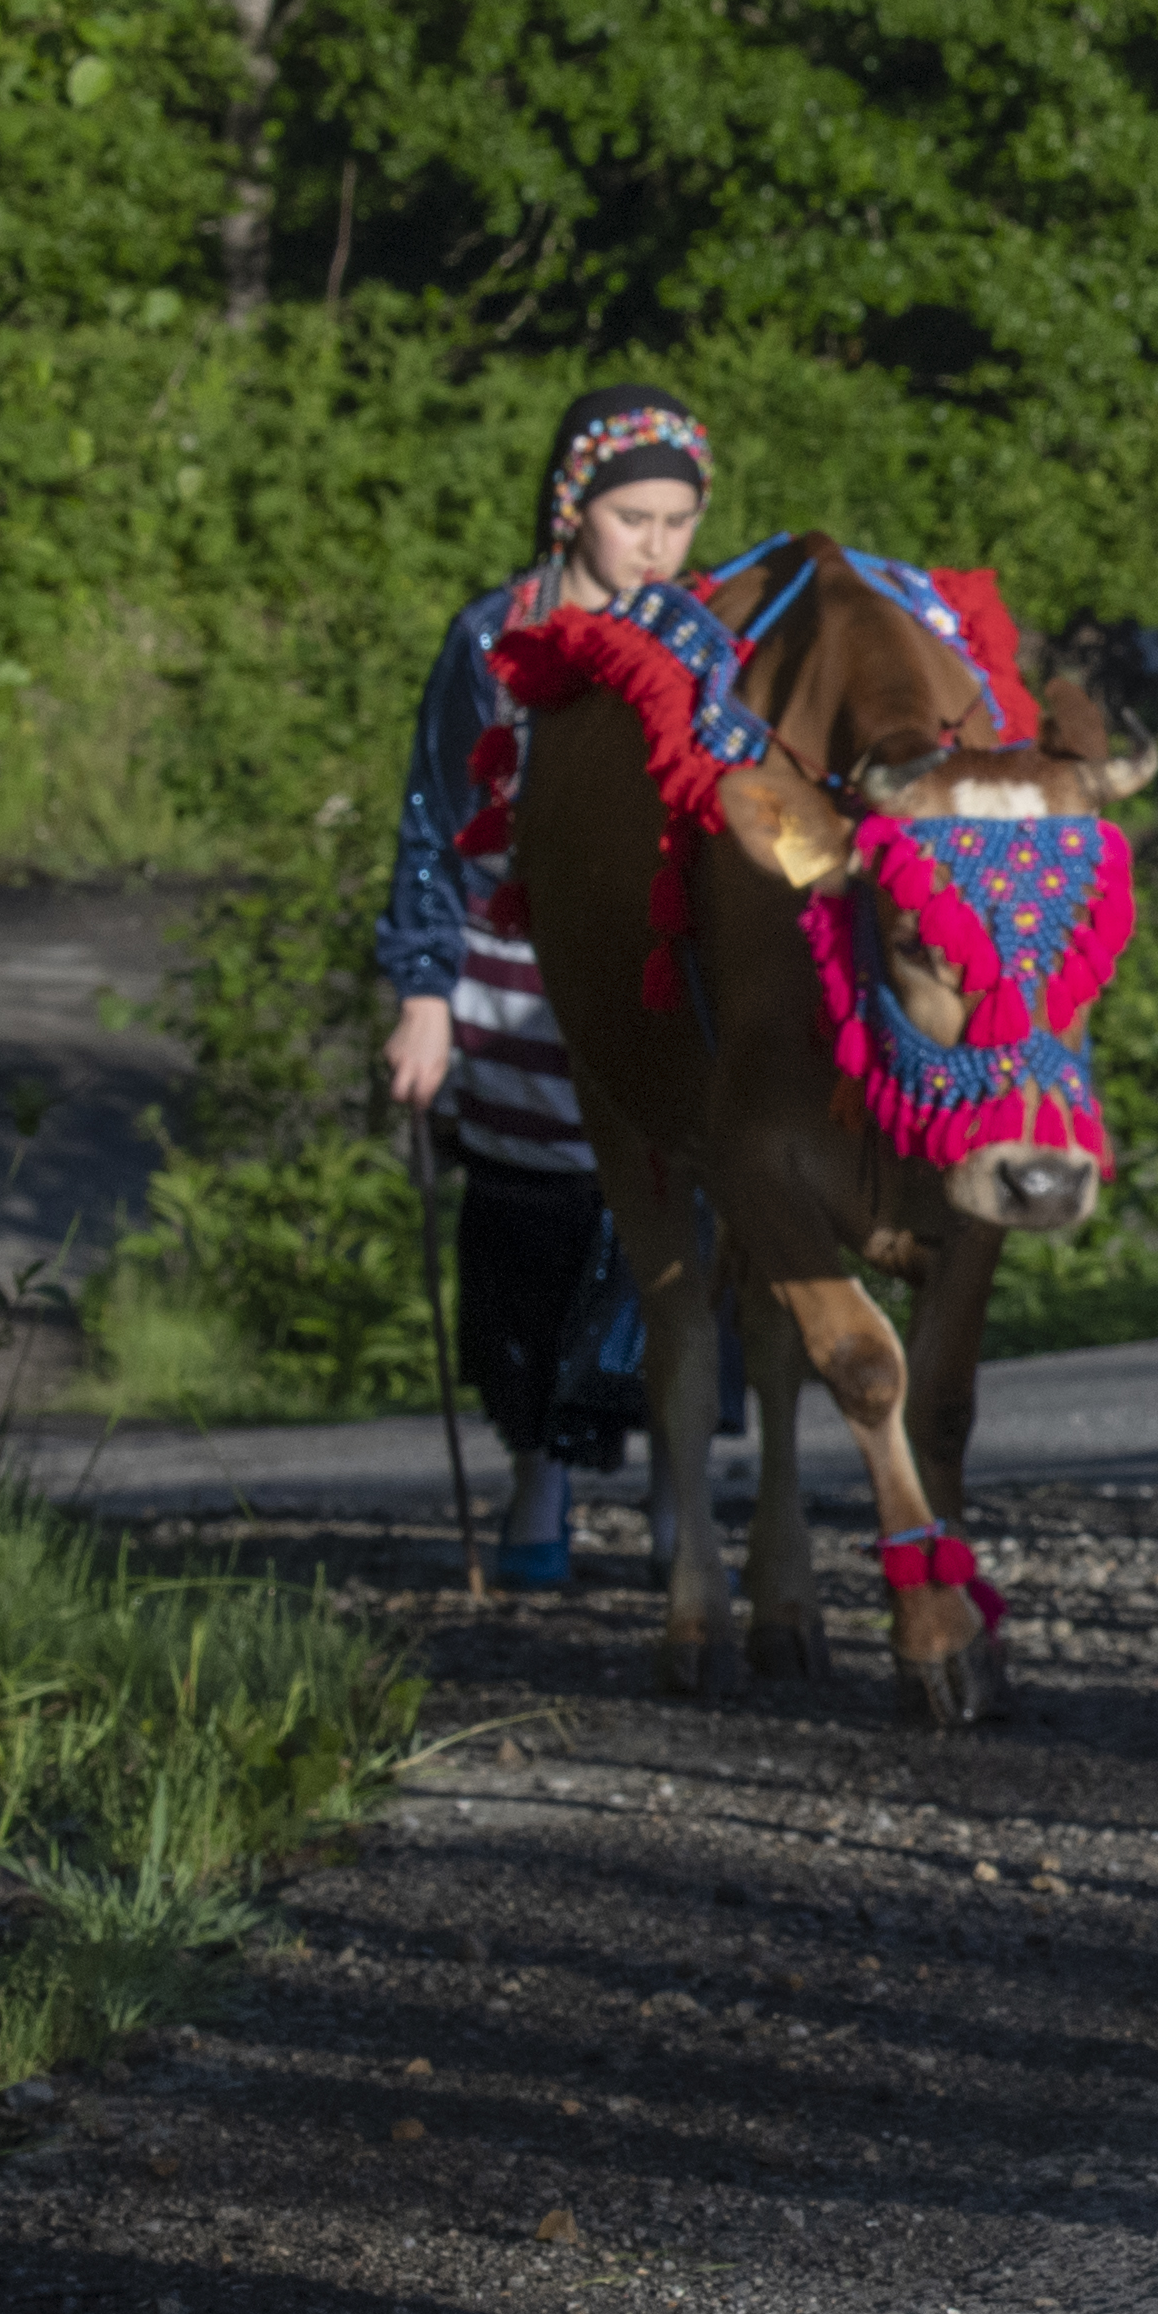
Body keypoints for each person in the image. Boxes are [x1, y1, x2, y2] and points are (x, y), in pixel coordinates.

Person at [376, 383, 709, 1585]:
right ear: (577, 505)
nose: (658, 545)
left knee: (669, 1223)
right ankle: (540, 1474)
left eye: (679, 520)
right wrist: (423, 989)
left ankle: (682, 1481)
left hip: (655, 957)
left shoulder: (695, 637)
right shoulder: (490, 635)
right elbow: (433, 819)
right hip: (513, 965)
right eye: (635, 517)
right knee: (527, 1224)